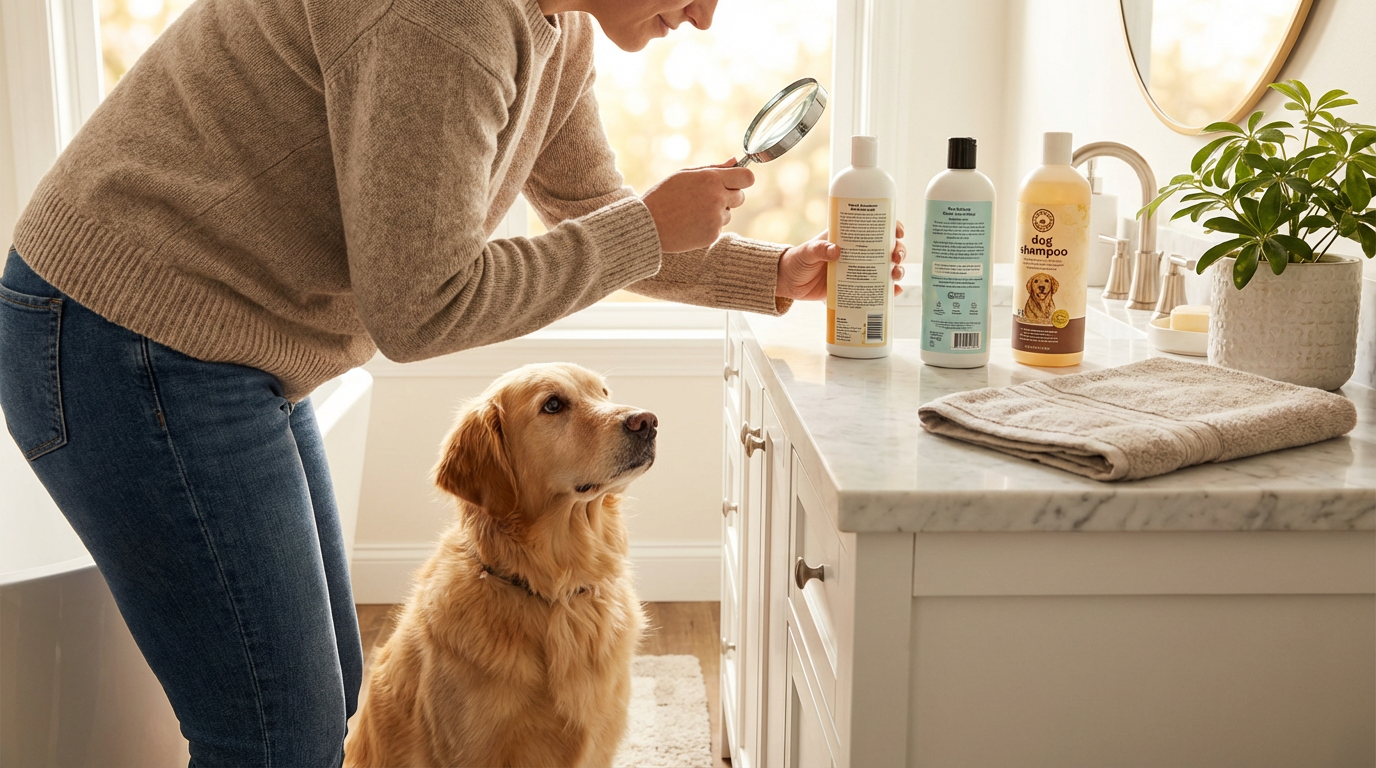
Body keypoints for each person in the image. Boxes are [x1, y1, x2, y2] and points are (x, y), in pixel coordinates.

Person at [0, 0, 905, 764]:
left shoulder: (557, 27)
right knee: (276, 733)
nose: (705, 16)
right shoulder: (443, 20)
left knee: (330, 700)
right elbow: (422, 306)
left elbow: (592, 211)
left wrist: (771, 273)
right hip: (129, 335)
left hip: (223, 347)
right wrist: (643, 227)